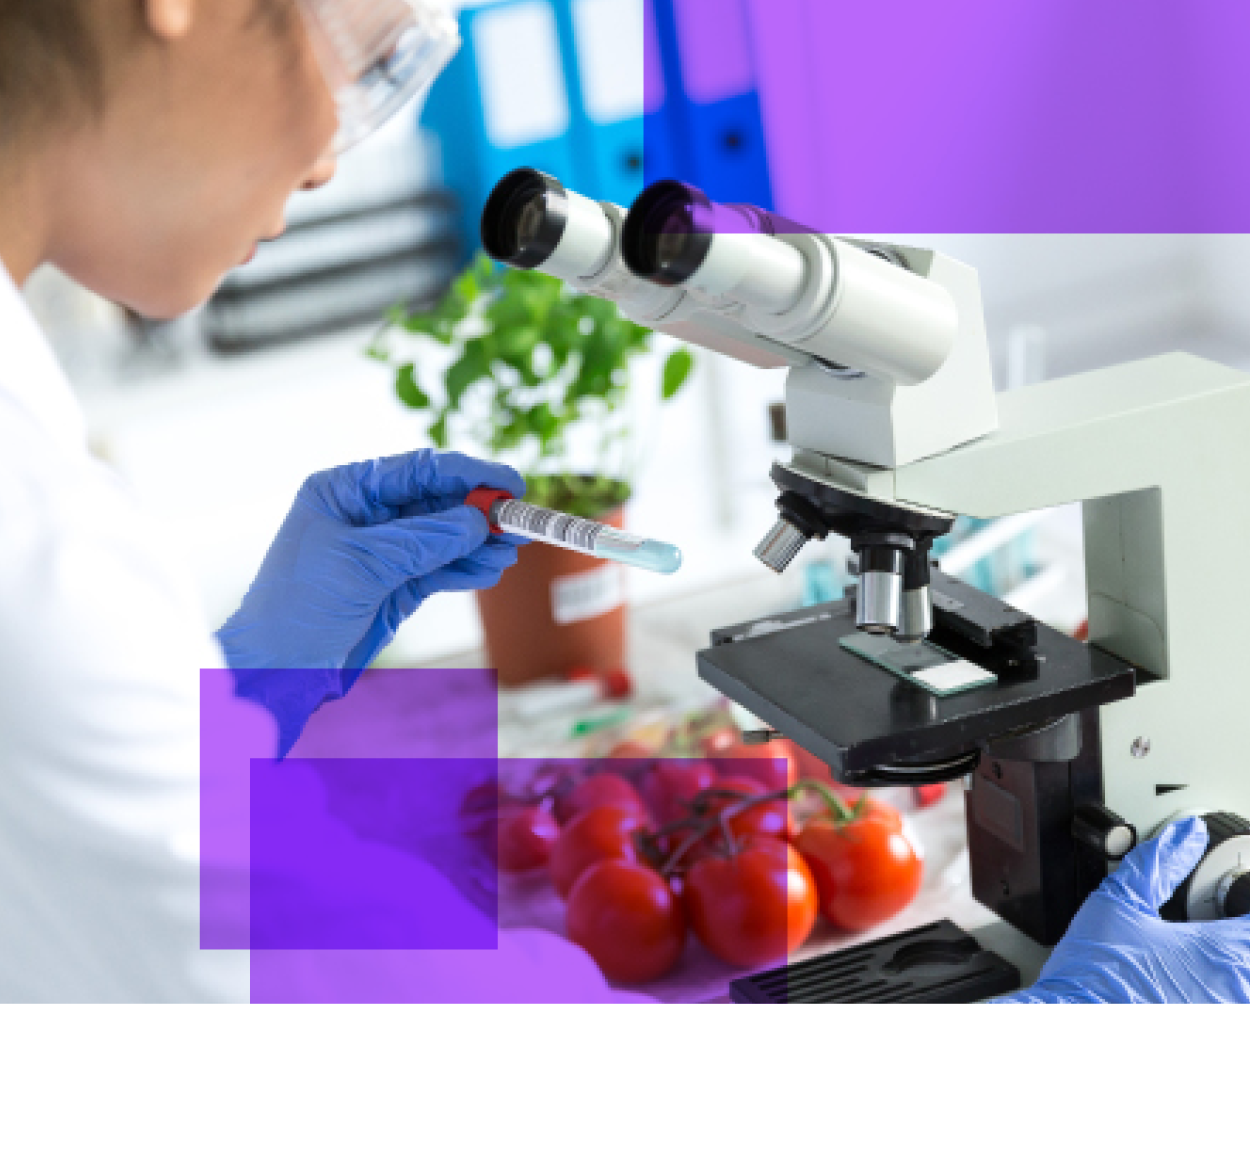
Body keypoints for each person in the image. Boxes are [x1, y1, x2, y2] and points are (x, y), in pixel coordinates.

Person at [0, 1, 1243, 1006]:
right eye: (374, 58)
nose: (330, 155)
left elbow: (106, 884)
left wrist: (232, 699)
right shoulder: (36, 555)